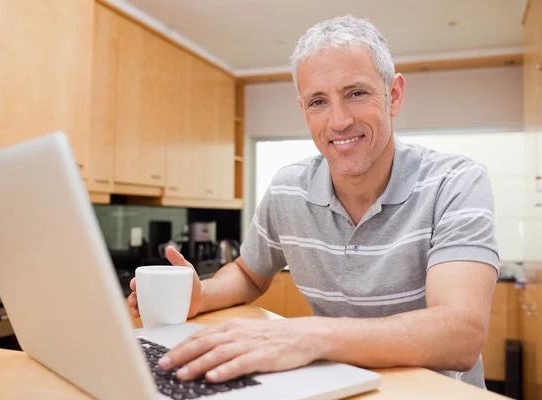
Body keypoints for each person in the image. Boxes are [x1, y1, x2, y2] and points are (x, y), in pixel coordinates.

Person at [128, 15, 498, 389]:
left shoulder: (455, 182)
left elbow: (460, 334)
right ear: (304, 110)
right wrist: (203, 295)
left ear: (394, 95)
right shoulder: (288, 188)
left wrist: (309, 336)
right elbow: (247, 273)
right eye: (318, 101)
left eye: (356, 93)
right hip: (335, 387)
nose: (338, 121)